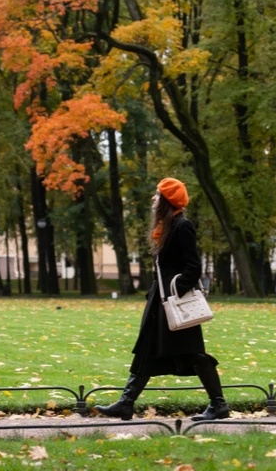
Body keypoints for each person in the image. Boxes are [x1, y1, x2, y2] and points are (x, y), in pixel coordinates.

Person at [97, 178, 229, 422]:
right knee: (147, 350)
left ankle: (219, 404)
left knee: (193, 353)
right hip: (160, 303)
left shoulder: (182, 226)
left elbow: (193, 268)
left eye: (157, 195)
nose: (153, 199)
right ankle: (126, 403)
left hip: (175, 305)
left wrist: (172, 291)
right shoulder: (167, 227)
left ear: (167, 200)